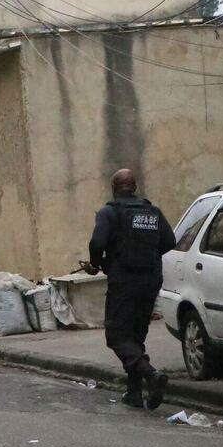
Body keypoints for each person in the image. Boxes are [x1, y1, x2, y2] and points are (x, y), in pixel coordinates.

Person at [83, 169, 176, 410]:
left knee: (116, 335)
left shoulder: (109, 212)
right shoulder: (153, 212)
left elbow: (97, 243)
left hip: (124, 280)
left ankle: (151, 375)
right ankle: (134, 392)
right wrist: (146, 256)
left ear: (114, 187)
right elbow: (170, 241)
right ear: (134, 187)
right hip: (151, 279)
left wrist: (96, 263)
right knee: (136, 335)